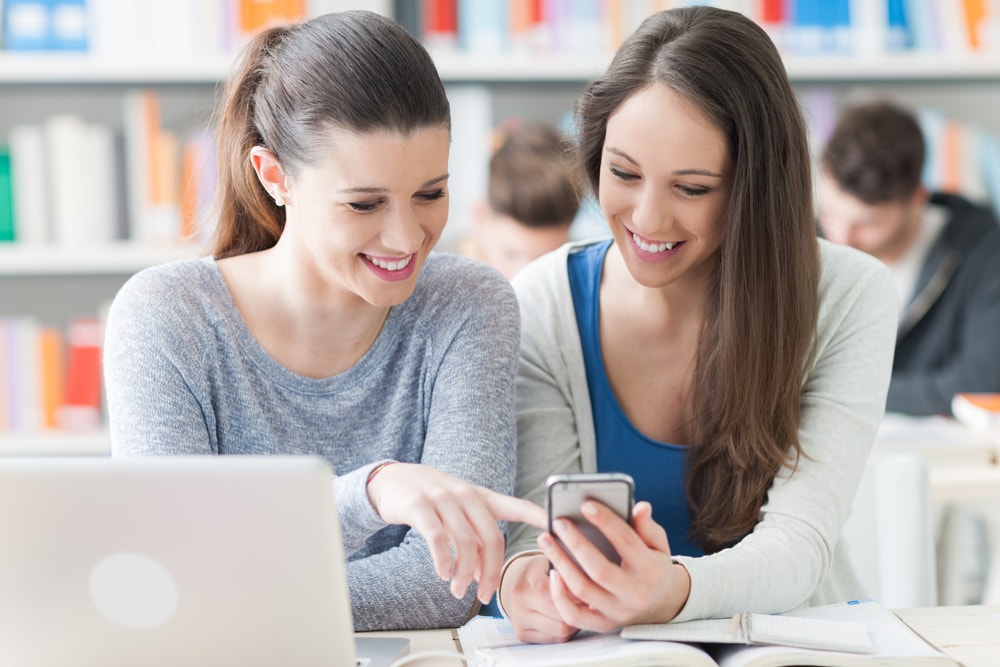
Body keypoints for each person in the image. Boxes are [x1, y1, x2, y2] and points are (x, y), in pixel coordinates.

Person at [102, 11, 544, 632]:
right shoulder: (168, 319)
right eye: (364, 203)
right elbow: (173, 575)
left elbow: (450, 585)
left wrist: (243, 592)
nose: (406, 236)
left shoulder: (468, 305)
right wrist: (370, 494)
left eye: (430, 194)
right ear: (275, 177)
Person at [497, 5, 899, 643]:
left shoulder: (849, 295)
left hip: (791, 648)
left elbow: (800, 543)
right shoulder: (544, 303)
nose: (648, 219)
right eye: (624, 174)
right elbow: (535, 530)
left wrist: (669, 591)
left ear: (753, 187)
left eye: (692, 188)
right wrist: (526, 579)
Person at [818, 100, 1000, 416]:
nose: (841, 238)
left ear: (917, 198)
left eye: (867, 224)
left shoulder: (982, 248)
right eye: (830, 213)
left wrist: (838, 393)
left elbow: (983, 382)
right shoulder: (802, 241)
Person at [458, 121, 581, 279]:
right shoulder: (424, 281)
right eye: (511, 254)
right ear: (480, 216)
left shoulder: (577, 277)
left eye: (543, 262)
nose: (521, 277)